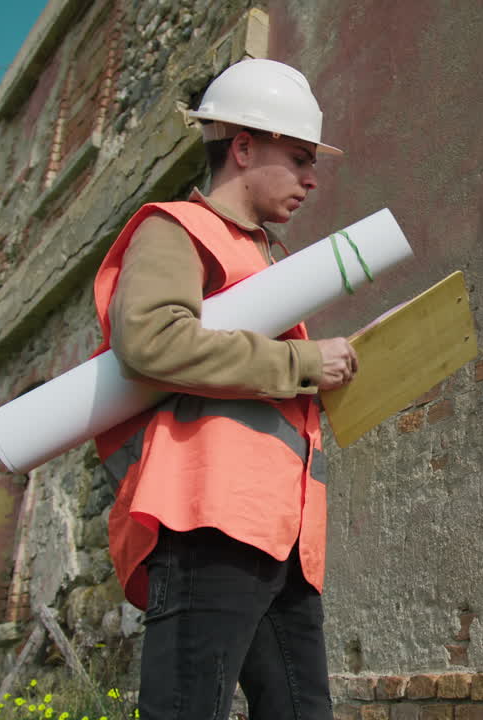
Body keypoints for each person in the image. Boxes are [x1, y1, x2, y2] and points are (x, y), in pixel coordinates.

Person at [89, 58, 356, 720]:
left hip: (284, 537)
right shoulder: (176, 227)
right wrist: (300, 366)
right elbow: (151, 342)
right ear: (242, 147)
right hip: (207, 520)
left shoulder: (269, 261)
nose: (311, 177)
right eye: (297, 157)